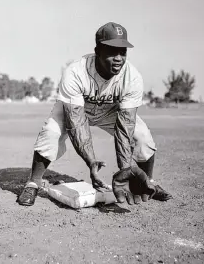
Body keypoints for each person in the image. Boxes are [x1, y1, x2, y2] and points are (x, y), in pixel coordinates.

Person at [18, 22, 172, 206]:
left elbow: (125, 127)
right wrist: (91, 161)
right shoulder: (76, 71)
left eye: (122, 52)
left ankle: (148, 182)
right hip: (74, 109)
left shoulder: (132, 77)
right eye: (112, 51)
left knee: (142, 136)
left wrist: (125, 170)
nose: (118, 58)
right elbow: (76, 123)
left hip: (110, 111)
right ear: (97, 50)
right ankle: (33, 182)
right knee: (51, 132)